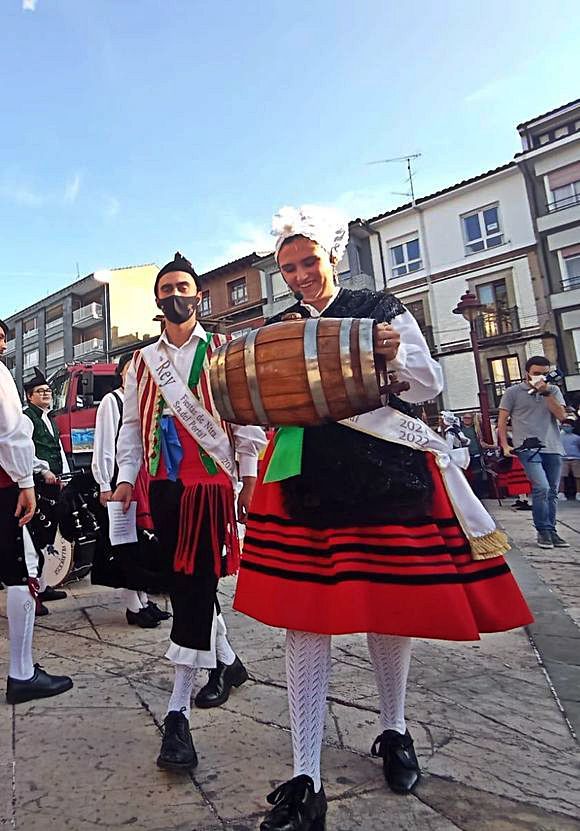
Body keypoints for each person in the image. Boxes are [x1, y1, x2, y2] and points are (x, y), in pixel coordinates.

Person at [233, 205, 533, 831]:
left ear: (332, 256)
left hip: (383, 469)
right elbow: (260, 398)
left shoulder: (378, 306)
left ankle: (393, 730)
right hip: (306, 478)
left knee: (388, 607)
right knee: (303, 621)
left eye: (309, 262)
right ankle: (306, 774)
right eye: (288, 267)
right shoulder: (279, 327)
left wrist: (393, 357)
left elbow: (425, 385)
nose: (300, 275)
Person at [113, 252, 266, 772]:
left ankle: (176, 715)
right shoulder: (140, 362)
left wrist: (248, 479)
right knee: (186, 582)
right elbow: (132, 427)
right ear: (157, 300)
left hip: (211, 487)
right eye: (166, 288)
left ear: (197, 295)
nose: (174, 294)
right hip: (164, 487)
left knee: (192, 585)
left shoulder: (225, 351)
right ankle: (227, 663)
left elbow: (245, 422)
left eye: (183, 286)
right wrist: (124, 480)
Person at [0, 356, 73, 704]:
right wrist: (25, 480)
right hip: (3, 485)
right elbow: (10, 431)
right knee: (21, 571)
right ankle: (22, 672)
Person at [91, 352, 170, 627]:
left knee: (141, 541)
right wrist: (104, 483)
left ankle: (144, 600)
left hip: (142, 479)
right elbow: (104, 445)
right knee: (125, 542)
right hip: (120, 480)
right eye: (129, 370)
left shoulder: (145, 402)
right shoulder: (112, 402)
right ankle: (132, 606)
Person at [498, 357, 568, 549]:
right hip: (527, 447)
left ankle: (551, 531)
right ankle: (543, 530)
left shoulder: (553, 390)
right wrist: (505, 445)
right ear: (527, 372)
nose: (540, 377)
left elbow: (561, 416)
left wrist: (546, 393)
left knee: (552, 491)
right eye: (536, 373)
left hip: (552, 445)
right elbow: (502, 421)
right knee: (541, 488)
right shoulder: (513, 392)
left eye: (544, 373)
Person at [23, 368, 70, 612]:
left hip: (54, 483)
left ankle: (42, 586)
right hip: (37, 484)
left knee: (47, 536)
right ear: (29, 396)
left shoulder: (49, 419)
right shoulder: (27, 418)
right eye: (40, 392)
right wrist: (43, 470)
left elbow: (57, 448)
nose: (46, 394)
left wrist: (62, 472)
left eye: (48, 391)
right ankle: (33, 594)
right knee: (37, 537)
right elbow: (25, 450)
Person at [558, 418, 580, 501]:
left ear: (572, 427)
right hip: (563, 458)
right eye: (564, 426)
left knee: (578, 476)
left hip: (576, 458)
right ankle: (561, 493)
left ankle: (578, 493)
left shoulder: (577, 438)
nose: (566, 427)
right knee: (561, 476)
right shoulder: (559, 437)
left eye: (568, 426)